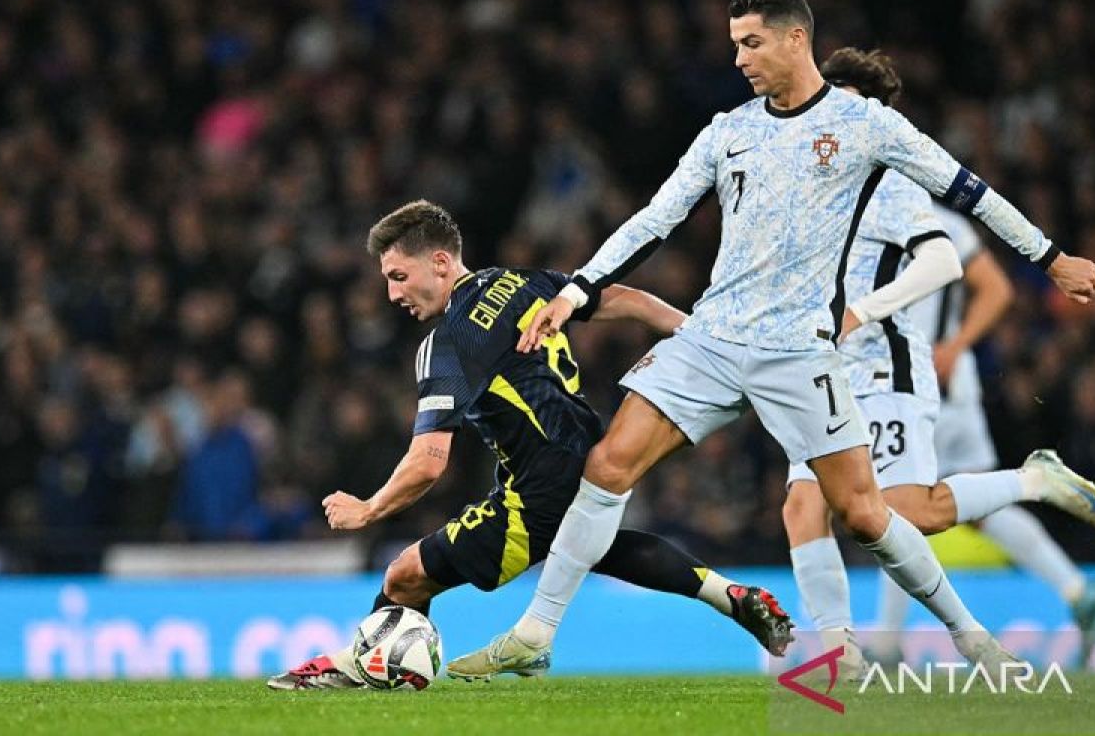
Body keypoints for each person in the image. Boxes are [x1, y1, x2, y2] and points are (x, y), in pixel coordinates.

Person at [448, 0, 1095, 681]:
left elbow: (968, 190)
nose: (739, 59)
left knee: (864, 513)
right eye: (734, 45)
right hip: (713, 337)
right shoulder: (729, 131)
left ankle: (971, 636)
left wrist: (1052, 257)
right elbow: (655, 218)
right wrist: (579, 288)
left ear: (797, 38)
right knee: (609, 465)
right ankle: (536, 632)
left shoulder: (866, 127)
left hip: (799, 352)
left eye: (751, 42)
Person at [267, 200, 794, 690]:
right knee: (600, 547)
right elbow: (627, 300)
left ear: (442, 262)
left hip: (535, 493)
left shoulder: (448, 344)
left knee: (404, 576)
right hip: (591, 458)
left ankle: (369, 667)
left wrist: (369, 509)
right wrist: (700, 336)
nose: (392, 294)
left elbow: (429, 463)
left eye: (399, 277)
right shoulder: (515, 282)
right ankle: (732, 596)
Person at [778, 48, 1095, 681]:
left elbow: (959, 263)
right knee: (802, 506)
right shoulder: (809, 183)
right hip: (824, 370)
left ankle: (1032, 482)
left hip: (889, 370)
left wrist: (870, 317)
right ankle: (843, 650)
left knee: (907, 515)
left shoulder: (898, 185)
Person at [870, 203, 1095, 668]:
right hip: (952, 387)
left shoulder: (888, 220)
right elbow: (997, 289)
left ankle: (886, 644)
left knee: (891, 506)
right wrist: (956, 351)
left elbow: (997, 289)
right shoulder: (946, 222)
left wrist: (950, 348)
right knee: (980, 507)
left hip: (911, 388)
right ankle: (1075, 587)